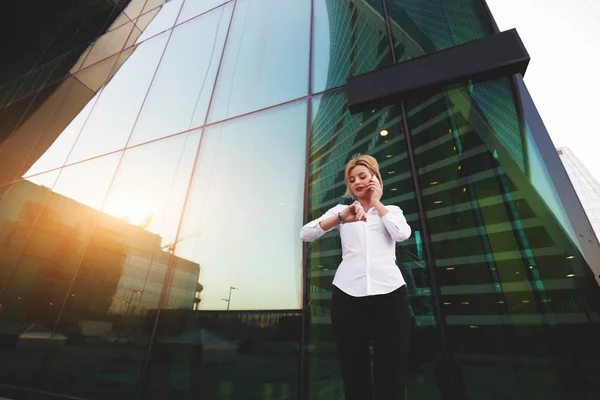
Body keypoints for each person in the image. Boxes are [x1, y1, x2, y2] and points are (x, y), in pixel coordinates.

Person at [300, 154, 412, 400]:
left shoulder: (392, 210)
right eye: (352, 180)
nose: (357, 182)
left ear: (375, 177)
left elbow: (402, 234)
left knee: (392, 365)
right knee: (353, 365)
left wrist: (377, 204)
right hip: (348, 295)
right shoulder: (342, 210)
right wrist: (341, 218)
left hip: (390, 294)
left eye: (362, 176)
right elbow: (305, 233)